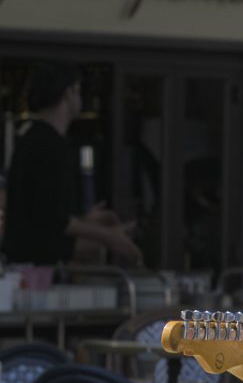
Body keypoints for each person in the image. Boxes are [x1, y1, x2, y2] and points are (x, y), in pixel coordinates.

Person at [4, 63, 142, 266]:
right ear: (68, 92)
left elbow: (42, 212)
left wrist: (86, 220)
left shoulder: (31, 137)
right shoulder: (50, 145)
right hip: (39, 268)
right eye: (78, 90)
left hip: (27, 262)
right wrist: (109, 237)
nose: (80, 99)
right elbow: (54, 220)